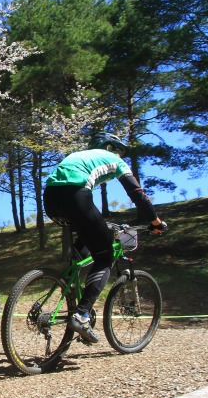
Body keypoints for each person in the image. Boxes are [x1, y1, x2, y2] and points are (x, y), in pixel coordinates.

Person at [43, 132, 167, 344]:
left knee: (88, 239)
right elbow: (137, 193)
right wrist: (155, 221)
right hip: (76, 196)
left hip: (50, 200)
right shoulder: (116, 160)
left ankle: (70, 284)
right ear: (110, 147)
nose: (120, 155)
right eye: (119, 151)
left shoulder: (79, 155)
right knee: (104, 258)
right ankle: (81, 315)